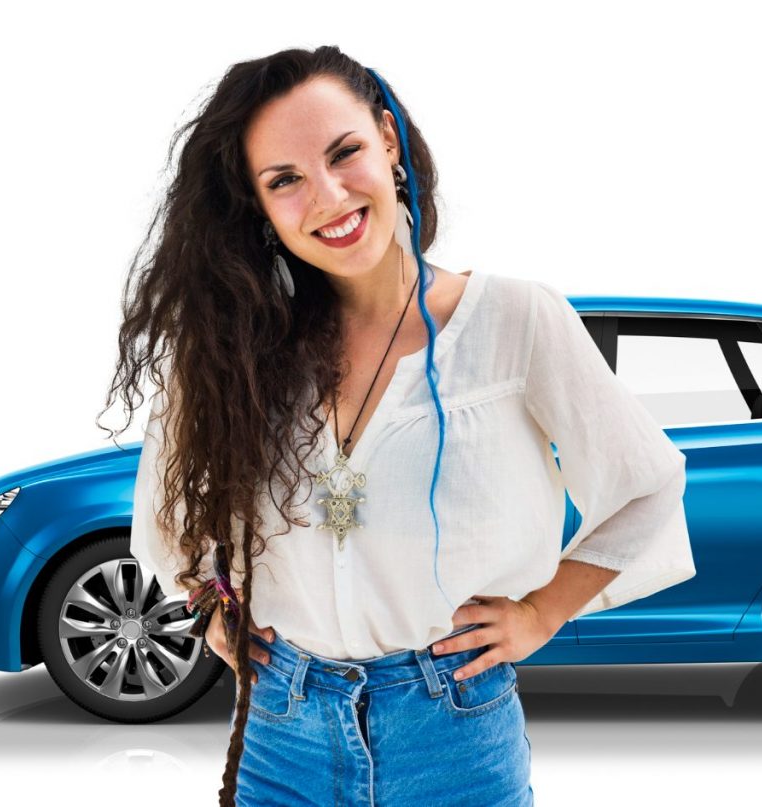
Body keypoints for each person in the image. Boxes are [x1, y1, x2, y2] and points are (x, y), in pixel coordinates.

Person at [110, 45, 696, 806]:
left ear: (388, 140)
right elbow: (167, 513)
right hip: (280, 731)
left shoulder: (514, 321)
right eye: (284, 180)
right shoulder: (235, 350)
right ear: (257, 206)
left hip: (451, 728)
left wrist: (540, 614)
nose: (327, 196)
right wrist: (213, 607)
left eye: (343, 152)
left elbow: (646, 489)